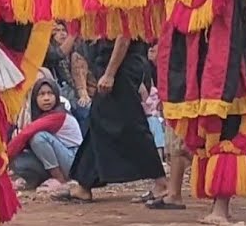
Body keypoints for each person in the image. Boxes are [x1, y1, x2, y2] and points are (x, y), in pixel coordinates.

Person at [58, 38, 171, 204]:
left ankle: (161, 182)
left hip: (122, 68)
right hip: (112, 65)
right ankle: (84, 184)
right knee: (98, 120)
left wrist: (110, 73)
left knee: (132, 124)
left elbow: (123, 36)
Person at [9, 78, 83, 192]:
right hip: (62, 159)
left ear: (57, 96)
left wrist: (3, 160)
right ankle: (33, 180)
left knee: (38, 137)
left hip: (74, 161)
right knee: (20, 159)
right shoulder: (42, 115)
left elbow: (26, 133)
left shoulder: (59, 115)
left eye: (50, 93)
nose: (46, 98)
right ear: (35, 99)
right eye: (41, 94)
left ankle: (59, 179)